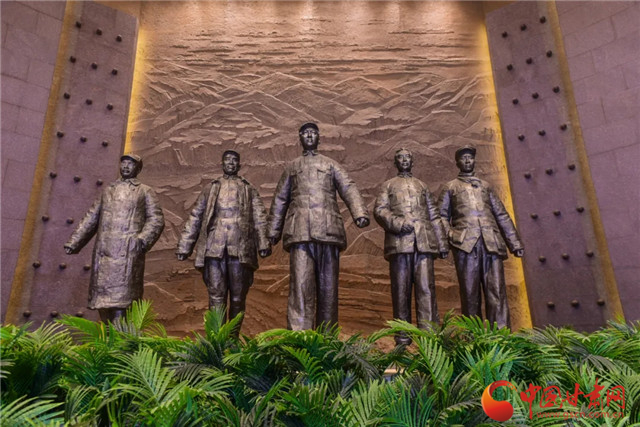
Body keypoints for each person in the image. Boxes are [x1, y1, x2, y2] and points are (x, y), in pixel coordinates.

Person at [268, 122, 369, 330]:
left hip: (328, 231)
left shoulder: (331, 165)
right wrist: (273, 231)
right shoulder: (292, 167)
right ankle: (299, 339)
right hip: (300, 233)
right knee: (300, 287)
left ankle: (327, 338)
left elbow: (348, 187)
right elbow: (280, 199)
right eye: (305, 133)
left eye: (313, 133)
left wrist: (359, 213)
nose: (309, 136)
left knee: (328, 289)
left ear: (319, 137)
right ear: (300, 138)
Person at [177, 150, 270, 331]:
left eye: (234, 160)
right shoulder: (211, 188)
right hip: (214, 248)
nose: (231, 163)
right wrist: (184, 246)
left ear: (239, 165)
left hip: (239, 249)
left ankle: (233, 339)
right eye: (227, 160)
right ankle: (217, 340)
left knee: (238, 298)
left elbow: (259, 217)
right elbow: (196, 216)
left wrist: (263, 243)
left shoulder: (249, 189)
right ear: (222, 163)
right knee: (216, 297)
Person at [64, 154, 165, 323]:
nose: (126, 166)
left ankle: (119, 338)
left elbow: (156, 219)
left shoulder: (145, 191)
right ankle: (107, 338)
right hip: (104, 253)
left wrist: (140, 241)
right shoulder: (108, 190)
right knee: (103, 305)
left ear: (138, 168)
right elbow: (91, 217)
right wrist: (74, 242)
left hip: (127, 254)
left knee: (121, 304)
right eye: (124, 163)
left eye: (131, 164)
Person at [438, 146, 524, 328]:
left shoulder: (486, 187)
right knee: (470, 294)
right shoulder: (450, 187)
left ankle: (501, 336)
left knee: (497, 292)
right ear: (457, 162)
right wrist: (451, 236)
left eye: (470, 157)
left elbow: (501, 215)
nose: (467, 161)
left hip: (491, 243)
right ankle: (473, 336)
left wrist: (515, 243)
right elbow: (441, 217)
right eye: (463, 158)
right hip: (465, 246)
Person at [374, 148, 448, 345]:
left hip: (424, 243)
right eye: (400, 157)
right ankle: (402, 338)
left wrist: (442, 244)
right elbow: (380, 210)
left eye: (407, 157)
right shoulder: (388, 185)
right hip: (399, 244)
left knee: (426, 290)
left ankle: (430, 339)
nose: (404, 160)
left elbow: (434, 215)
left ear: (412, 161)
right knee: (401, 291)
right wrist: (398, 223)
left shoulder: (422, 186)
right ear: (395, 162)